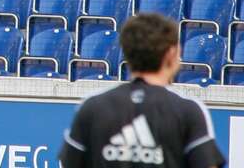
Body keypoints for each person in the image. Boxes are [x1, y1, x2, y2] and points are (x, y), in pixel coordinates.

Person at [61, 13, 224, 168]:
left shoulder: (92, 107)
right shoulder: (188, 111)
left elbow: (69, 163)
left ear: (126, 52)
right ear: (171, 53)